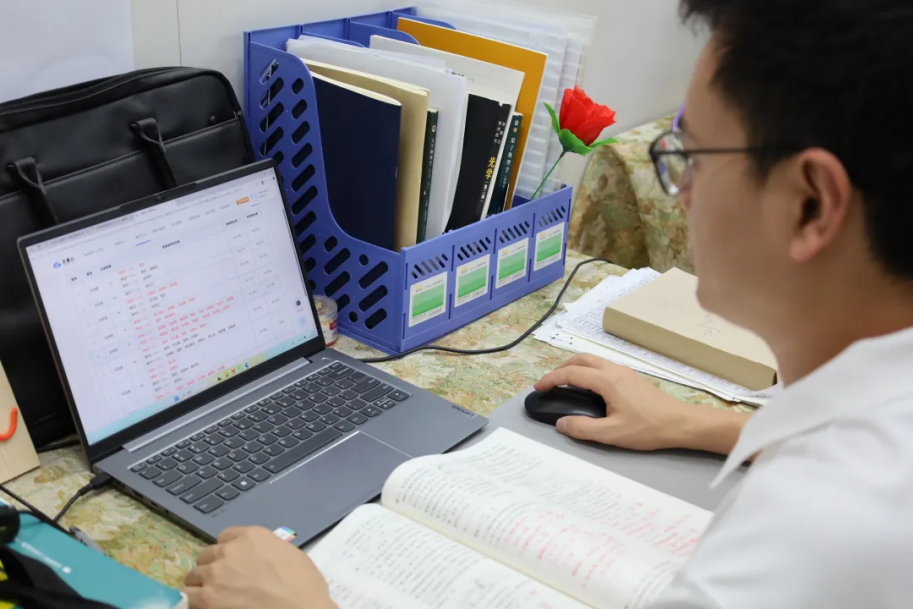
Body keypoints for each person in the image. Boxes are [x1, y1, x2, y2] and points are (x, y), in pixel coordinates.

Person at [182, 0, 913, 607]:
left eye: (691, 156)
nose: (680, 191)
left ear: (810, 203)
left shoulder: (817, 529)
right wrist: (701, 424)